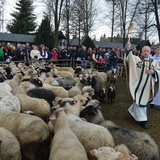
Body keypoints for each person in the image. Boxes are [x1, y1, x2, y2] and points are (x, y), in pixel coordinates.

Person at [124, 41, 160, 129]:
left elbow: (158, 71)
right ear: (141, 51)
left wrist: (153, 72)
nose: (146, 53)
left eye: (148, 51)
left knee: (142, 102)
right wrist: (128, 49)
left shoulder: (154, 62)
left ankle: (132, 111)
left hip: (147, 87)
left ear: (150, 52)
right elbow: (129, 59)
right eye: (144, 51)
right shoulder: (137, 60)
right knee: (139, 102)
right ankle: (143, 120)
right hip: (137, 85)